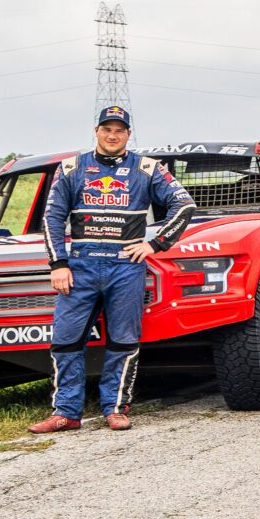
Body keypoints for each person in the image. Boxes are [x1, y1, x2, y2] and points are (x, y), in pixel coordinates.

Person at [29, 105, 194, 434]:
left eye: (119, 130)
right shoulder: (72, 167)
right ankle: (66, 412)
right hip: (81, 264)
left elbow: (184, 203)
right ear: (97, 130)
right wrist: (58, 263)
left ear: (128, 134)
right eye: (107, 128)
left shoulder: (147, 168)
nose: (112, 135)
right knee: (65, 340)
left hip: (126, 264)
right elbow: (52, 218)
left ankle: (115, 407)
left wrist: (155, 244)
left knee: (123, 340)